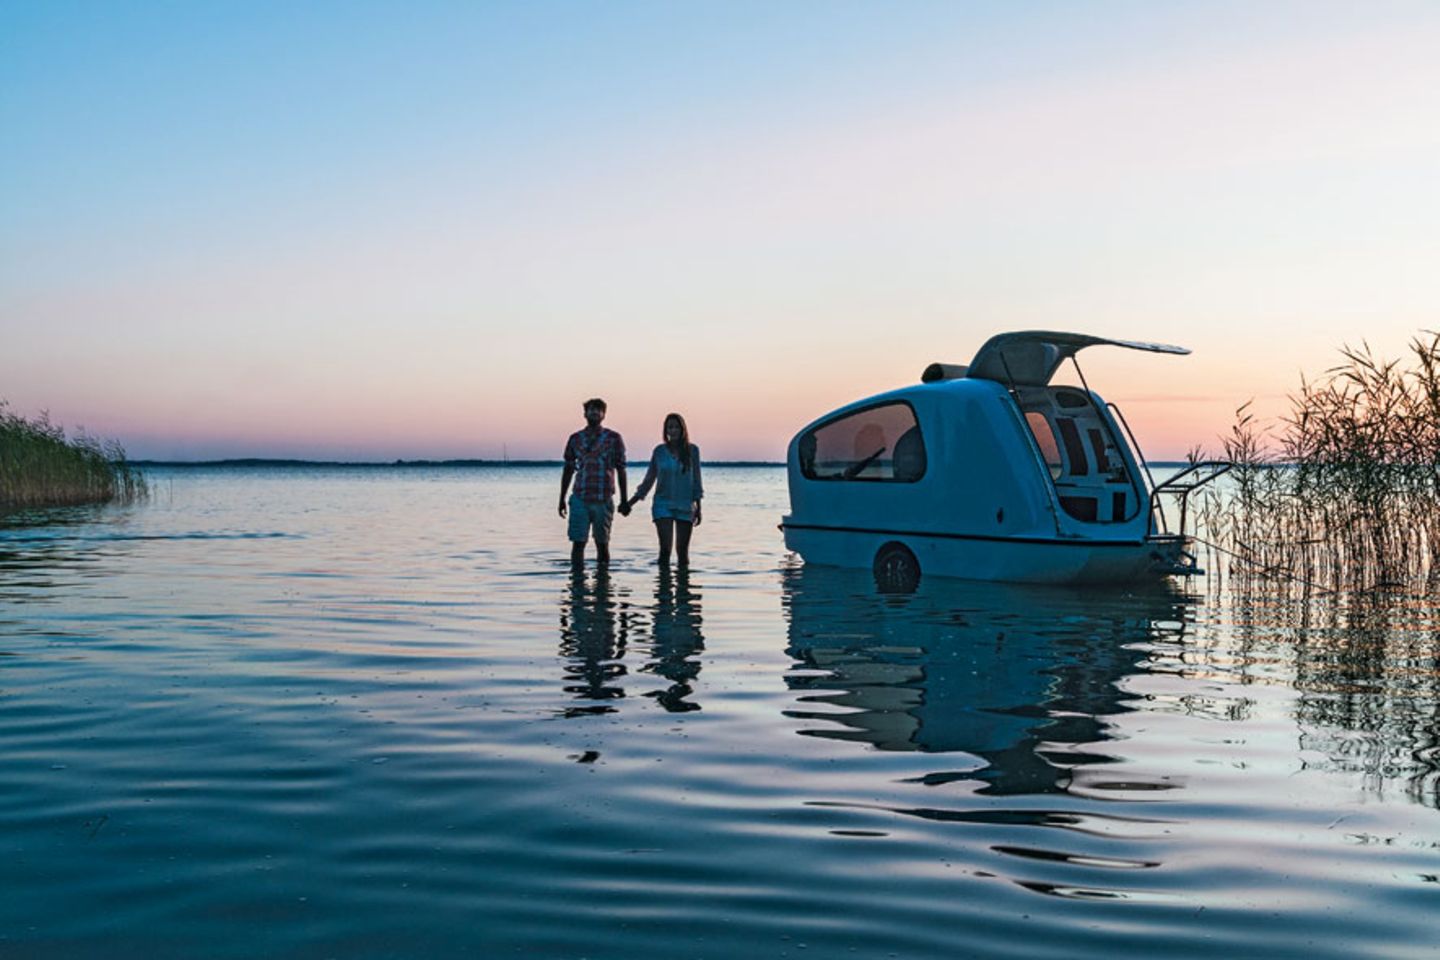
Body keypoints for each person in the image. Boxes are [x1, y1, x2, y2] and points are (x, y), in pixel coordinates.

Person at [622, 413, 703, 569]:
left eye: (676, 427)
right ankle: (663, 588)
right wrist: (630, 503)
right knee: (665, 550)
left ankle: (683, 590)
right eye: (670, 427)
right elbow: (649, 480)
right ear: (666, 430)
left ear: (682, 429)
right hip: (663, 504)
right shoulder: (659, 451)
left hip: (685, 505)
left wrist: (698, 508)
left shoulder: (692, 451)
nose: (673, 430)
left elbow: (696, 481)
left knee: (682, 552)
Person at [559, 398, 628, 565]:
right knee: (578, 544)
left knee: (602, 545)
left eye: (598, 410)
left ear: (604, 415)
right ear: (585, 414)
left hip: (603, 499)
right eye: (591, 409)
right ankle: (577, 585)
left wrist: (624, 500)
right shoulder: (575, 439)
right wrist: (561, 499)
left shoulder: (614, 438)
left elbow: (621, 469)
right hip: (580, 498)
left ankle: (603, 586)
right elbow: (568, 469)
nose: (594, 412)